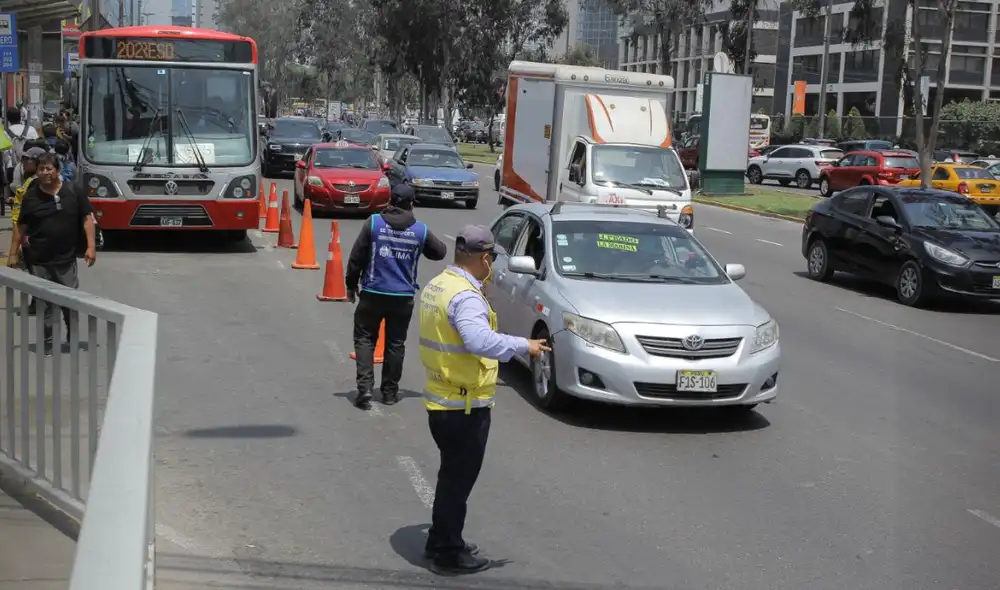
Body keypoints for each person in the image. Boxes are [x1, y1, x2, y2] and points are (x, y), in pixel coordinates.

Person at [418, 225, 550, 575]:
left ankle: (440, 540)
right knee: (456, 485)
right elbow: (479, 341)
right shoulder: (466, 297)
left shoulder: (439, 285)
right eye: (491, 259)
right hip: (463, 406)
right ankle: (448, 554)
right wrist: (526, 345)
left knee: (450, 479)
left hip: (442, 400)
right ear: (484, 258)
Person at [344, 183, 448, 409]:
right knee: (395, 343)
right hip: (403, 297)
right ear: (411, 204)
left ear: (390, 201)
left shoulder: (374, 223)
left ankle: (364, 389)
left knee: (364, 339)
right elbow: (440, 252)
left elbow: (356, 258)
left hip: (372, 292)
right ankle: (390, 392)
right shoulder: (419, 230)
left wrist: (351, 286)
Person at [16, 152, 96, 356]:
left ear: (57, 171)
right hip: (39, 260)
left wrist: (90, 247)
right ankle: (48, 342)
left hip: (65, 260)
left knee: (69, 302)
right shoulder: (32, 196)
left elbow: (87, 219)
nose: (45, 172)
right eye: (41, 168)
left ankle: (73, 335)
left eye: (49, 168)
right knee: (45, 304)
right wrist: (13, 255)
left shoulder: (73, 191)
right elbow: (21, 226)